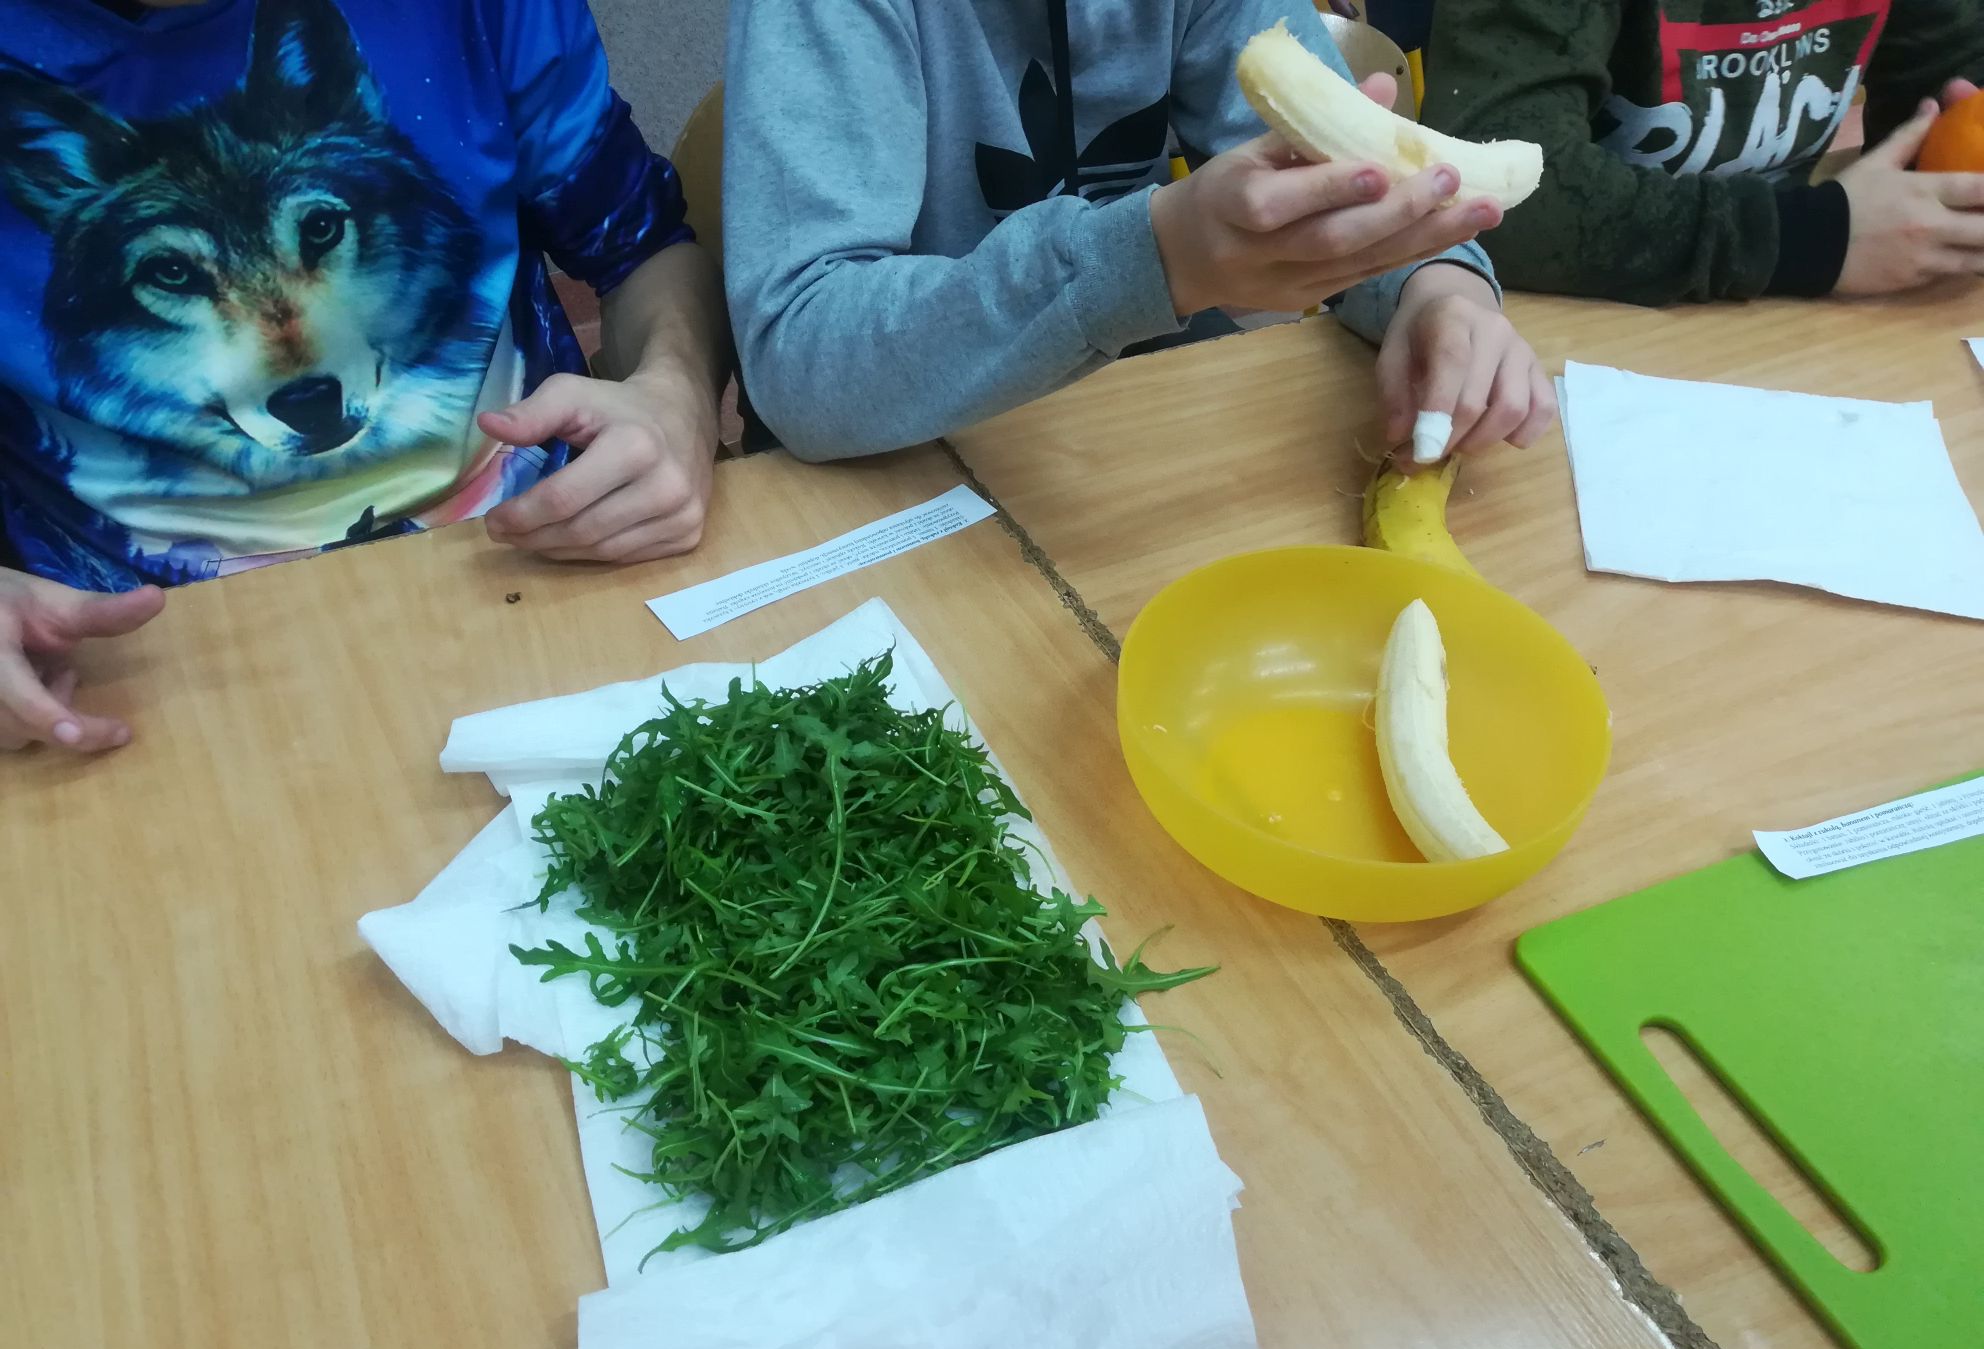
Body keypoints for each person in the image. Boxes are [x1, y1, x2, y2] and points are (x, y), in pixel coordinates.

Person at [0, 0, 727, 753]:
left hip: (541, 561)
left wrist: (677, 397)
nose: (295, 363)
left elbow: (641, 248)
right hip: (137, 666)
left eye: (319, 229)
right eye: (173, 274)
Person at [722, 2, 1556, 465]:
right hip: (898, 460)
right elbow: (800, 358)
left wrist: (1435, 287)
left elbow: (1348, 176)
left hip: (1124, 442)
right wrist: (1148, 258)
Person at [1418, 0, 1984, 303]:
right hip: (1570, 320)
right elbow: (1492, 192)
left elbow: (1947, 97)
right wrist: (1815, 236)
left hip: (1782, 312)